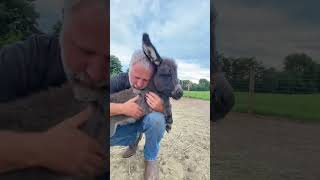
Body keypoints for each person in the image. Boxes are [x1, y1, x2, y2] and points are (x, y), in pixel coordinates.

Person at [0, 0, 107, 178]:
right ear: (63, 19)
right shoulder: (26, 60)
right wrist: (39, 149)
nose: (95, 75)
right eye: (85, 51)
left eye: (109, 59)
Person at [110, 50, 165, 180]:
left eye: (146, 79)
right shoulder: (117, 81)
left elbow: (168, 114)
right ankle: (134, 142)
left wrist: (162, 108)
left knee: (157, 119)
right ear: (129, 70)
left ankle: (151, 159)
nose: (140, 84)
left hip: (143, 122)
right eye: (136, 77)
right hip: (124, 124)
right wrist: (122, 108)